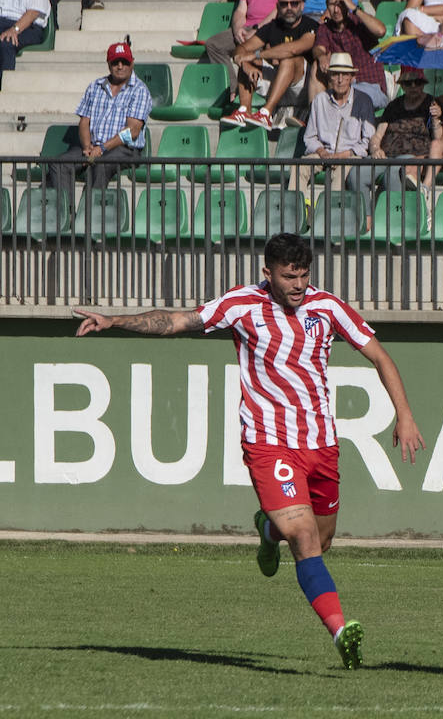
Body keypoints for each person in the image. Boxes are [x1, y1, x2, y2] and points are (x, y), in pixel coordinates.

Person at [73, 232, 425, 670]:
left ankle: (267, 532)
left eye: (303, 275)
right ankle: (340, 631)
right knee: (303, 536)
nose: (297, 284)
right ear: (268, 273)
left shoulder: (328, 307)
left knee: (323, 538)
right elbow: (178, 321)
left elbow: (379, 356)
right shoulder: (242, 305)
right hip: (268, 441)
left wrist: (404, 414)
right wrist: (115, 321)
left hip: (321, 444)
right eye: (288, 276)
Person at [43, 41, 150, 203]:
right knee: (59, 165)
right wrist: (87, 147)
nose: (120, 66)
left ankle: (90, 218)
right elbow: (84, 121)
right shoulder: (95, 86)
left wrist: (102, 148)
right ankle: (67, 216)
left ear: (132, 63)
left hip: (124, 149)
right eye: (115, 62)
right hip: (93, 146)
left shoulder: (140, 90)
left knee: (100, 164)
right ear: (108, 64)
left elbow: (132, 131)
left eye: (125, 62)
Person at [221, 0, 318, 130]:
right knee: (247, 60)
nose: (289, 8)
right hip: (279, 84)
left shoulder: (311, 25)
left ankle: (266, 112)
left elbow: (295, 48)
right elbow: (240, 49)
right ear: (278, 7)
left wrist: (257, 54)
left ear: (302, 5)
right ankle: (244, 111)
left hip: (303, 88)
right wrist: (244, 63)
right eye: (284, 4)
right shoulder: (272, 27)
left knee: (289, 59)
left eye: (294, 3)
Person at [291, 51, 376, 192]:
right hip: (323, 154)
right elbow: (310, 137)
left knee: (340, 173)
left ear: (352, 77)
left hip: (349, 156)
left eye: (345, 75)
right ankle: (295, 211)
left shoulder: (363, 101)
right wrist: (322, 152)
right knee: (300, 166)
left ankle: (331, 213)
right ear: (329, 76)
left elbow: (367, 141)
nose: (340, 80)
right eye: (336, 74)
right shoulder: (320, 100)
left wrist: (340, 156)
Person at [205, 0, 295, 83]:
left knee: (264, 48)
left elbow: (281, 9)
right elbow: (241, 10)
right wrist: (237, 29)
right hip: (247, 28)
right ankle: (231, 88)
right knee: (214, 45)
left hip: (271, 26)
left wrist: (258, 29)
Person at [310, 0, 387, 106]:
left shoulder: (360, 22)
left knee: (341, 96)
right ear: (326, 6)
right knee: (316, 65)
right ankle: (313, 115)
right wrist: (321, 57)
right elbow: (318, 48)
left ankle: (324, 112)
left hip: (370, 86)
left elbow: (381, 31)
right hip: (342, 87)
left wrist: (354, 9)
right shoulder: (325, 29)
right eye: (332, 5)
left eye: (340, 4)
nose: (336, 10)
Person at [370, 66, 436, 195]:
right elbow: (378, 135)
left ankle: (392, 212)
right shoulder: (393, 105)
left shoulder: (431, 105)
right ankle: (365, 214)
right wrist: (375, 148)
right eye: (407, 83)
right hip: (386, 156)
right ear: (402, 85)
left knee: (394, 172)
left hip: (412, 157)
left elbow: (438, 139)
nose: (413, 86)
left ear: (423, 84)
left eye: (417, 82)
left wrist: (436, 118)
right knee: (357, 174)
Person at [0, 0, 49, 89]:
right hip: (2, 20)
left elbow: (33, 12)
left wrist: (15, 29)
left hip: (29, 26)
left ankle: (4, 89)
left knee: (6, 42)